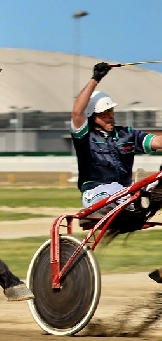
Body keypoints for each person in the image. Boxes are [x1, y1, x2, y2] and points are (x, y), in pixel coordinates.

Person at [71, 62, 162, 283]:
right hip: (96, 195)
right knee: (117, 190)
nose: (111, 116)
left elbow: (158, 141)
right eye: (105, 113)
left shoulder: (127, 134)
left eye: (111, 111)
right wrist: (96, 78)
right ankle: (138, 196)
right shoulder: (84, 136)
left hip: (125, 193)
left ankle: (140, 195)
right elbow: (76, 111)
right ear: (93, 115)